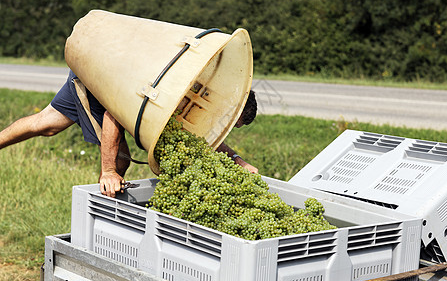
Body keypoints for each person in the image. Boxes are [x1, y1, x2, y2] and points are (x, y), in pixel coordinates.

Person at [0, 69, 258, 197]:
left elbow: (204, 139)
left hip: (96, 67)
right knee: (119, 158)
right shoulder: (179, 95)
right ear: (229, 107)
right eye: (229, 121)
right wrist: (109, 171)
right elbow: (114, 114)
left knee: (47, 124)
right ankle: (103, 209)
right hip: (101, 78)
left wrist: (237, 160)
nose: (223, 127)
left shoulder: (202, 94)